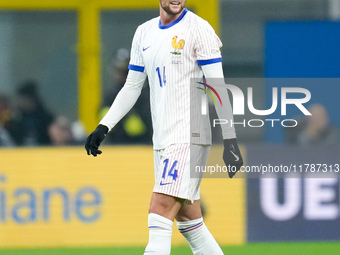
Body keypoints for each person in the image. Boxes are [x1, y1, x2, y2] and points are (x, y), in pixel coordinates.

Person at [85, 1, 243, 254]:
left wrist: (230, 139)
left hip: (189, 136)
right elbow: (132, 86)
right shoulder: (144, 32)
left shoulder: (199, 29)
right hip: (163, 140)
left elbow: (218, 86)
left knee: (159, 210)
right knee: (189, 222)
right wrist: (104, 126)